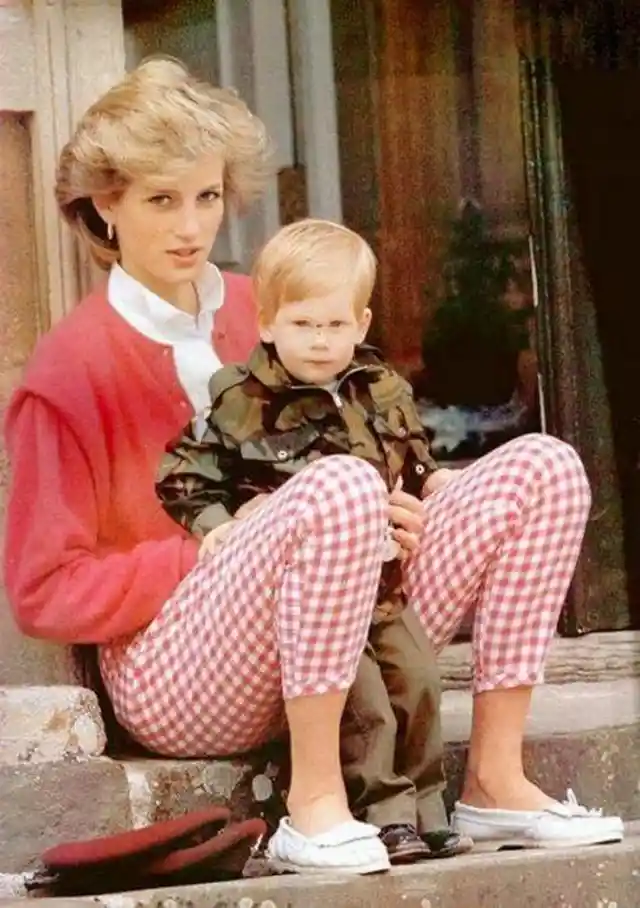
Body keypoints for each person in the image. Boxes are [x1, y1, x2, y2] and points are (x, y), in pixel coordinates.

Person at [2, 59, 623, 877]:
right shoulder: (70, 371)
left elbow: (354, 442)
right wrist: (212, 547)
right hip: (177, 678)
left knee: (543, 467)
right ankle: (316, 806)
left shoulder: (265, 307)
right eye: (161, 199)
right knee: (333, 487)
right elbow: (45, 590)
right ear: (105, 205)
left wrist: (396, 507)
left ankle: (496, 780)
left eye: (208, 196)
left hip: (336, 641)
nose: (191, 225)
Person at [157, 218, 472, 866]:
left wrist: (435, 479)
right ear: (268, 322)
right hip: (315, 601)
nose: (321, 341)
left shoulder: (379, 387)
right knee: (367, 705)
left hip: (383, 582)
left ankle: (427, 806)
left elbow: (409, 452)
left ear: (360, 323)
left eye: (335, 325)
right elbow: (182, 475)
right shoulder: (241, 400)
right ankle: (384, 815)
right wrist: (220, 528)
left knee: (418, 682)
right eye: (303, 325)